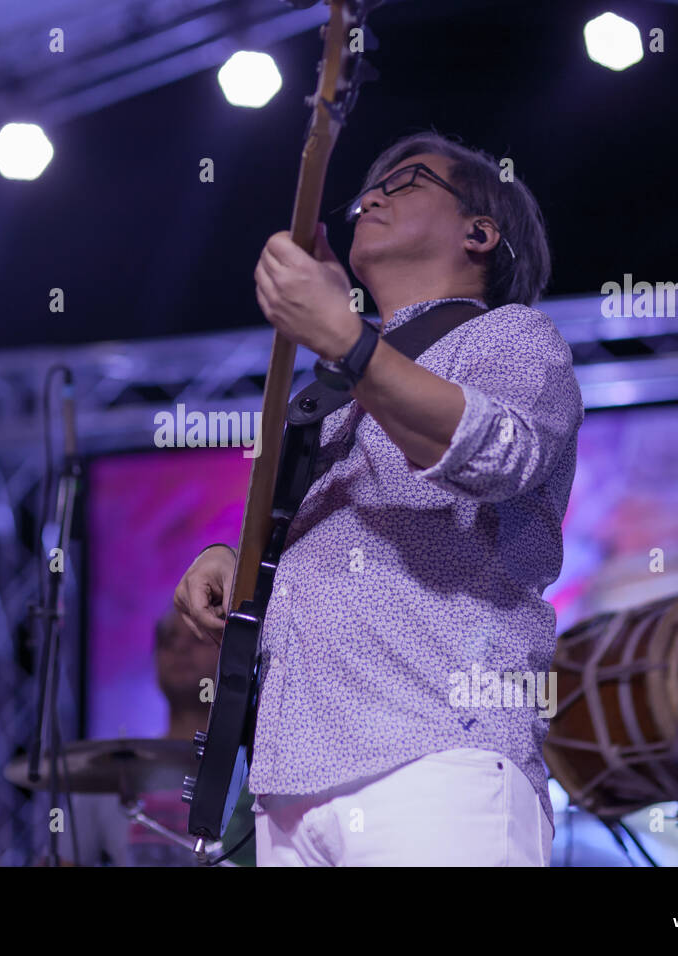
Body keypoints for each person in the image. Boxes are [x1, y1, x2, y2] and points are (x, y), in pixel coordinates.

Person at [174, 131, 584, 866]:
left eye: (408, 181)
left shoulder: (514, 338)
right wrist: (233, 557)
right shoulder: (333, 396)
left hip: (437, 755)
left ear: (480, 233)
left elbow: (501, 452)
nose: (374, 195)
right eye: (369, 187)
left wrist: (346, 341)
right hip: (289, 784)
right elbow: (319, 544)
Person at [67, 605, 255, 866]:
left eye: (198, 637)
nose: (179, 649)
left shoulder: (260, 774)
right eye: (168, 639)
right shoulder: (109, 772)